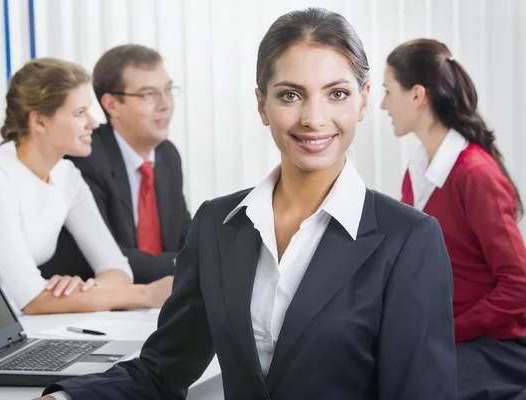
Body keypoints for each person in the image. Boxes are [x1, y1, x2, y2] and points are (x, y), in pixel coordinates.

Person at [39, 8, 456, 400]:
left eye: (337, 94)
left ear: (363, 101)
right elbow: (161, 372)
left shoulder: (409, 240)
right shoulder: (217, 225)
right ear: (262, 105)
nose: (314, 117)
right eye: (291, 96)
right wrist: (63, 396)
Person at [0, 58, 172, 315]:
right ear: (40, 122)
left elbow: (118, 270)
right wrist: (146, 294)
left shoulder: (67, 175)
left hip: (7, 322)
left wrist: (81, 290)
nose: (93, 123)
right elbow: (33, 300)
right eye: (80, 113)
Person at [381, 38, 526, 399]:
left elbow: (518, 286)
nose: (383, 104)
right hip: (449, 334)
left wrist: (447, 329)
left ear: (417, 95)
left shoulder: (475, 174)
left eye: (387, 91)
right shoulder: (418, 171)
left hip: (496, 345)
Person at [43, 44, 190, 285]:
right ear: (112, 105)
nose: (166, 104)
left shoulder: (167, 155)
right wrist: (188, 264)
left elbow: (186, 236)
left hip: (156, 301)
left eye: (168, 89)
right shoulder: (85, 157)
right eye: (149, 94)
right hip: (98, 303)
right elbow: (110, 257)